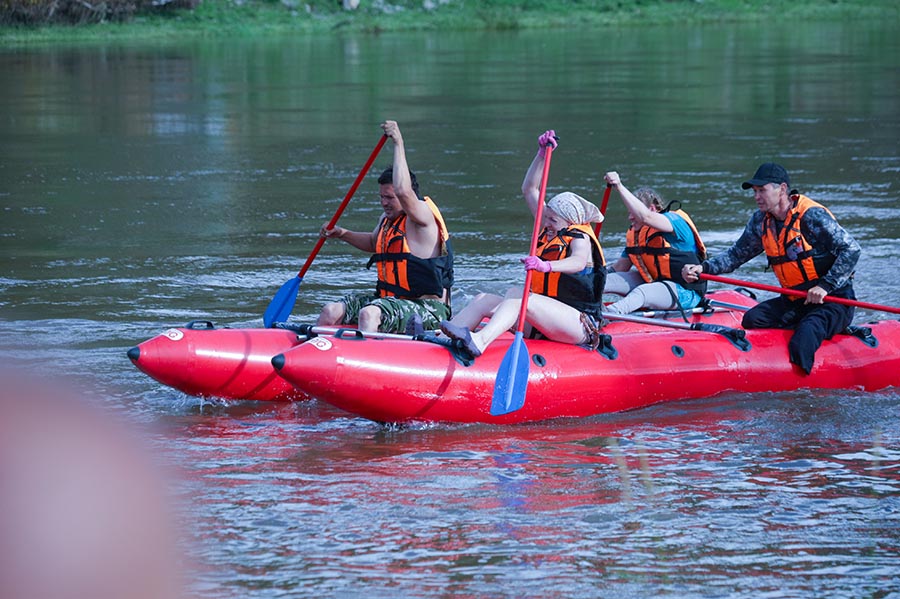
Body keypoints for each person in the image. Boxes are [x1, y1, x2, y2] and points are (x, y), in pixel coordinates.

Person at [439, 130, 607, 357]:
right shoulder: (548, 227)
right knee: (483, 300)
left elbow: (577, 262)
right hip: (544, 321)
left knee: (520, 296)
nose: (546, 222)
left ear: (570, 222)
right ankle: (439, 339)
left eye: (552, 219)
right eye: (546, 216)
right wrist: (541, 154)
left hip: (579, 324)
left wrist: (546, 266)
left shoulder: (580, 237)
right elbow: (529, 189)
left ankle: (480, 341)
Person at [682, 162, 861, 375]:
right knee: (752, 320)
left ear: (782, 189)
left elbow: (851, 249)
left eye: (762, 190)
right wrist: (703, 268)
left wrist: (825, 286)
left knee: (805, 336)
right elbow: (736, 255)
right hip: (796, 300)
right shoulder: (761, 221)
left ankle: (806, 384)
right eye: (755, 191)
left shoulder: (811, 216)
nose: (757, 197)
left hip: (832, 300)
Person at [316, 120, 454, 333]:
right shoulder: (387, 220)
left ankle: (365, 353)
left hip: (428, 309)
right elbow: (374, 243)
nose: (384, 202)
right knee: (331, 311)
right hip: (388, 302)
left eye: (389, 197)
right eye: (381, 197)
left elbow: (403, 191)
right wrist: (342, 234)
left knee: (369, 313)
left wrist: (398, 142)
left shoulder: (422, 216)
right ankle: (317, 348)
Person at [602, 171, 708, 316]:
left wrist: (619, 186)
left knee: (643, 292)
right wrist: (591, 277)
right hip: (656, 285)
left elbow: (645, 217)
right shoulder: (637, 235)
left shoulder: (675, 222)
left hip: (685, 292)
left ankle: (606, 315)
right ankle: (582, 307)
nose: (630, 217)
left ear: (652, 209)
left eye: (633, 212)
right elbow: (620, 267)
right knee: (604, 281)